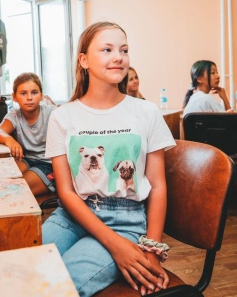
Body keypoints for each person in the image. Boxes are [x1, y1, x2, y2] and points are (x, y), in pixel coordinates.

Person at [42, 22, 176, 297]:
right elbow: (65, 191)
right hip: (71, 216)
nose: (118, 57)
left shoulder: (147, 112)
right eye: (107, 50)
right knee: (24, 270)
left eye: (124, 50)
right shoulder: (62, 116)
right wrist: (114, 245)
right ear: (83, 61)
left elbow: (157, 185)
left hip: (124, 220)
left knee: (60, 286)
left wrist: (151, 250)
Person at [0, 72, 57, 196]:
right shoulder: (14, 115)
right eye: (23, 93)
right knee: (2, 179)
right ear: (14, 97)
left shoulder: (51, 112)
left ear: (41, 95)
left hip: (49, 163)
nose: (29, 98)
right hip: (26, 159)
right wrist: (9, 140)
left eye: (34, 92)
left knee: (17, 189)